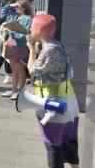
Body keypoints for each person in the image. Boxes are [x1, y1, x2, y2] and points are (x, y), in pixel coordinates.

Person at [26, 14, 80, 168]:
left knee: (53, 146)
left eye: (32, 27)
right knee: (68, 143)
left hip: (53, 104)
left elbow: (31, 71)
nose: (30, 29)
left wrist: (31, 50)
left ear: (40, 30)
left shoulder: (49, 51)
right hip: (67, 101)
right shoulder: (58, 45)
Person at [2, 0, 33, 100]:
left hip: (20, 47)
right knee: (14, 71)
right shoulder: (17, 17)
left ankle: (21, 92)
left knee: (20, 70)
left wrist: (11, 32)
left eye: (17, 6)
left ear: (24, 8)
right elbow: (5, 11)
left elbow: (25, 33)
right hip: (13, 46)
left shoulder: (28, 19)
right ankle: (14, 90)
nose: (15, 8)